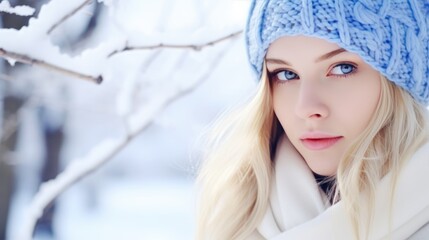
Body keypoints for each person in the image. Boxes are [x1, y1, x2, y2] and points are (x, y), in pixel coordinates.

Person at [196, 0, 429, 239]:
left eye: (342, 68)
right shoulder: (239, 217)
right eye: (286, 74)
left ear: (401, 84)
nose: (306, 108)